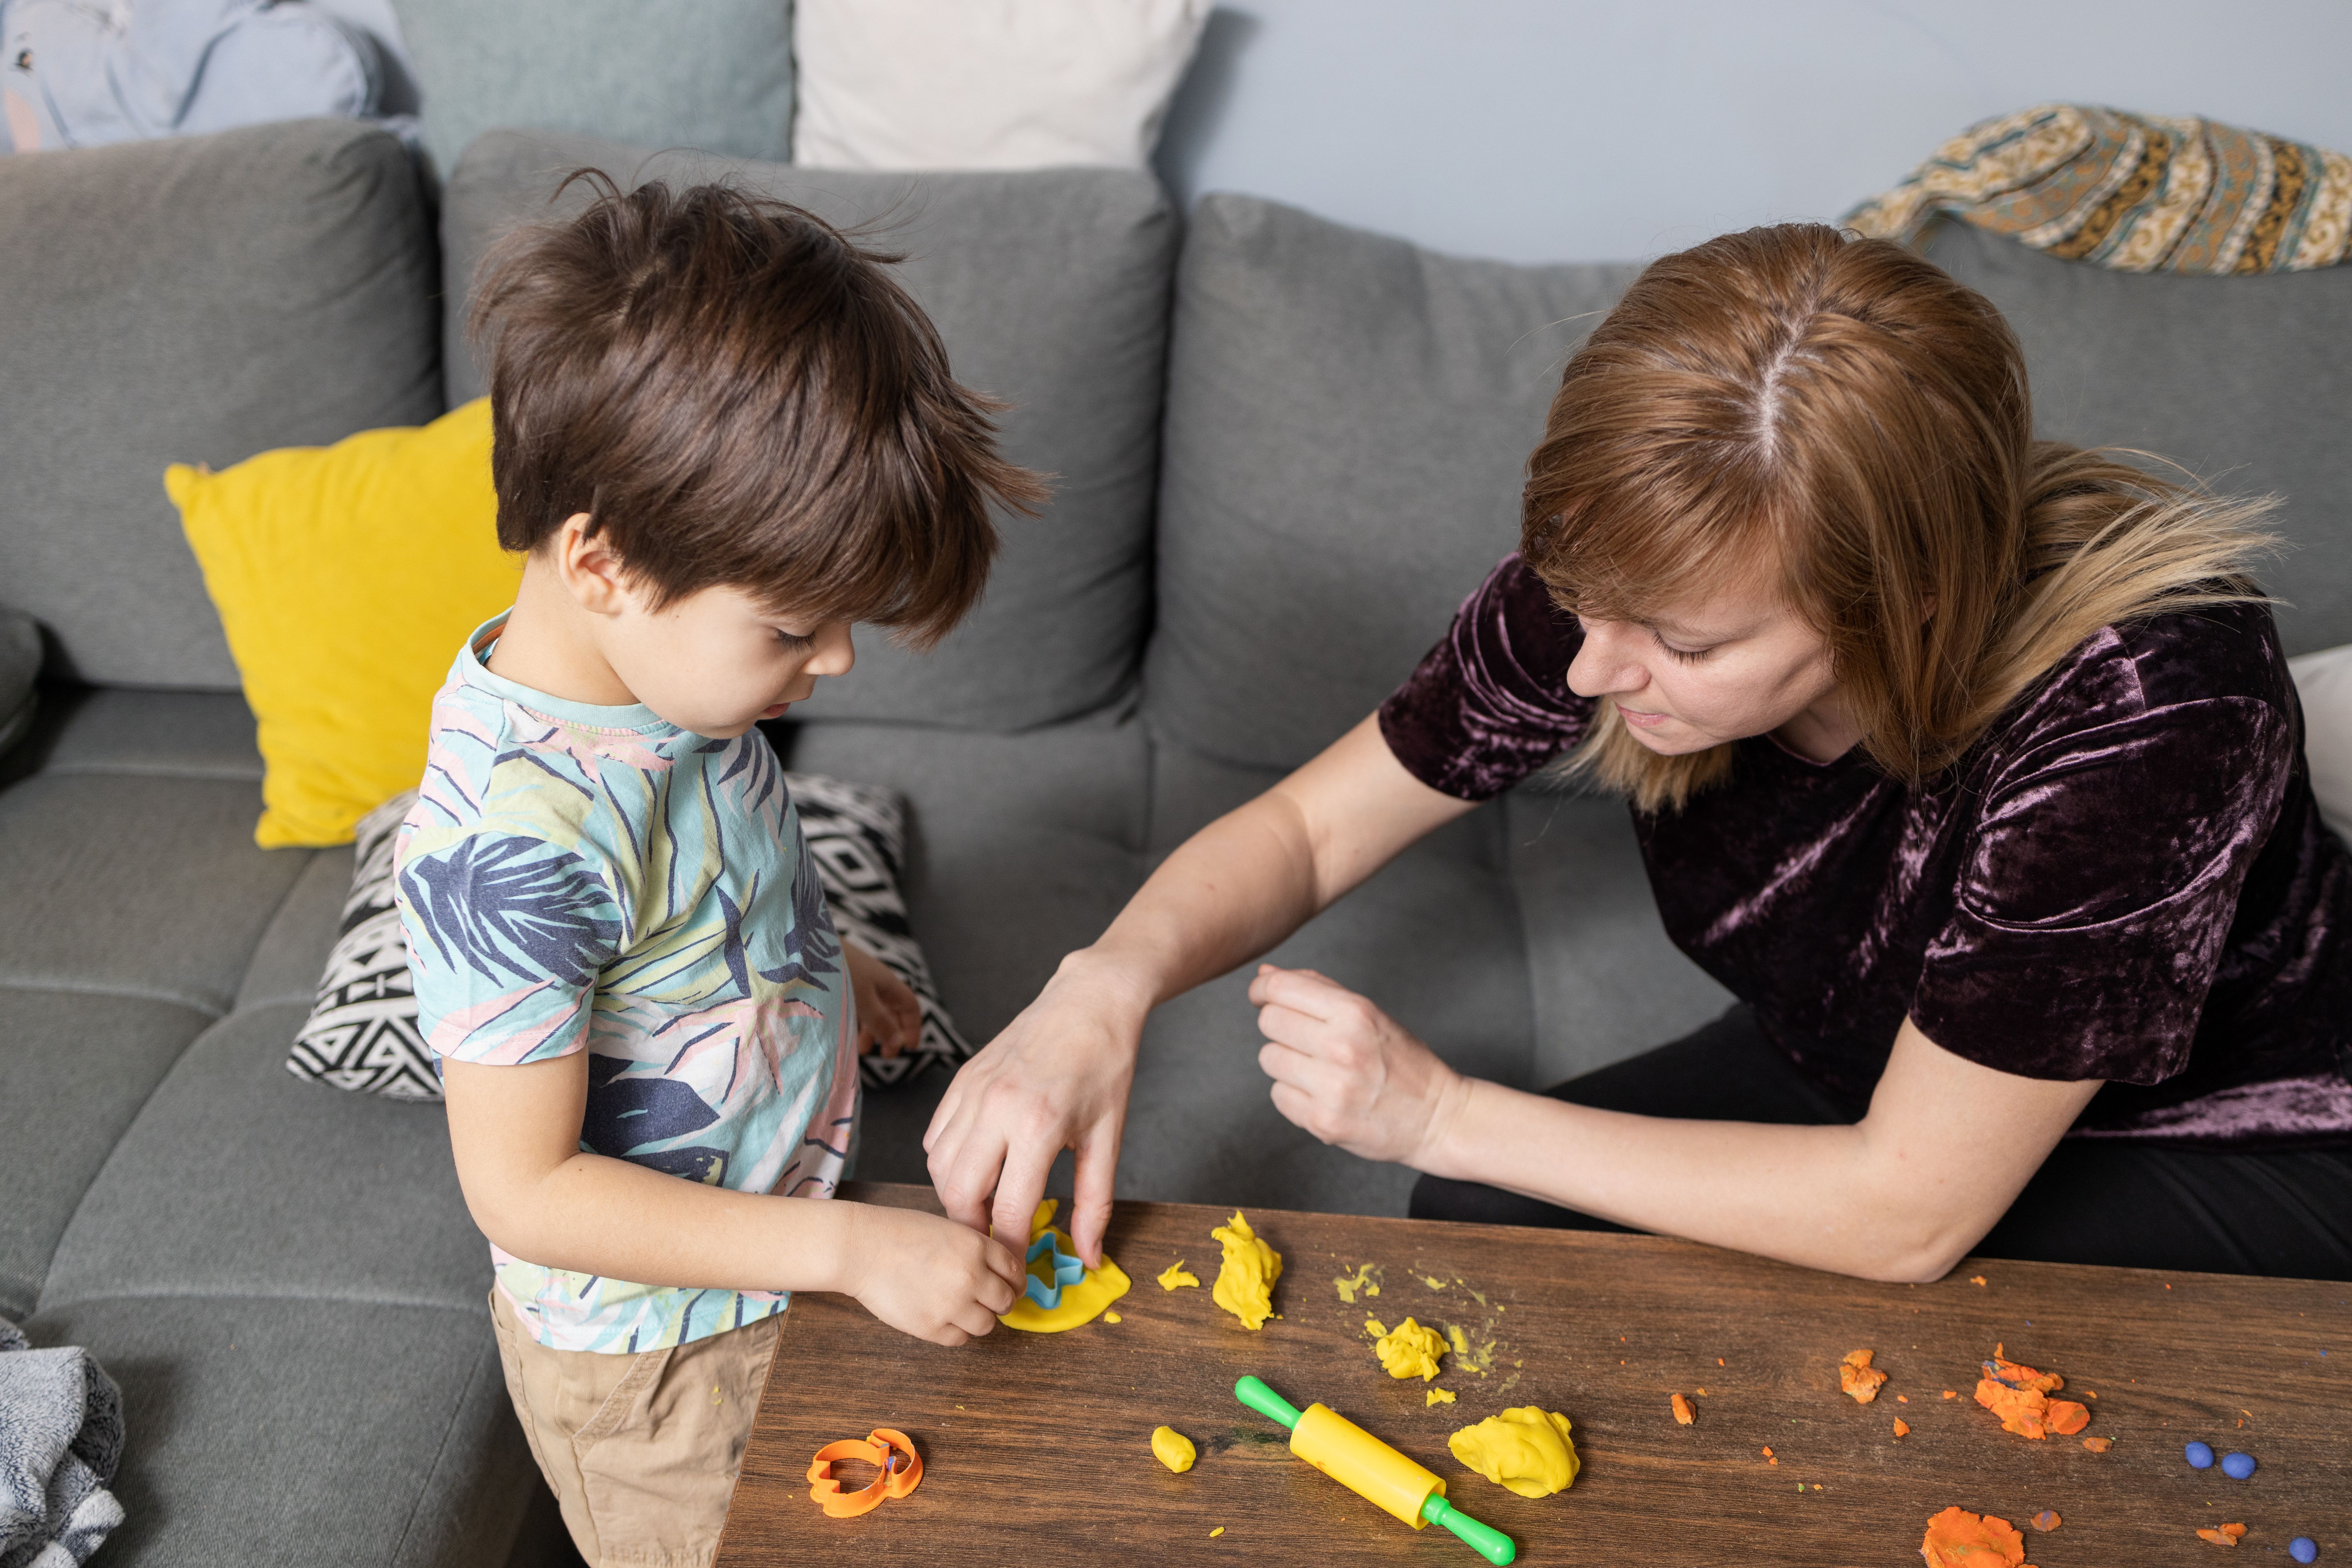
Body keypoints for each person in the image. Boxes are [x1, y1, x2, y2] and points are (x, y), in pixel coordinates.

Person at [925, 221, 2352, 1287]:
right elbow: (1309, 833)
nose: (1596, 671)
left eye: (1683, 644)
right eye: (1589, 607)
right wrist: (1100, 988)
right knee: (1489, 1233)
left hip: (2234, 1136)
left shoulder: (2151, 703)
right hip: (1868, 1065)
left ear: (1903, 602)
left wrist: (1439, 1110)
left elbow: (1909, 1215)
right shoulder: (1626, 584)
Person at [393, 176, 1046, 1567]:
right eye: (794, 626)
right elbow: (527, 1189)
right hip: (651, 1370)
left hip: (778, 1250)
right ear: (606, 562)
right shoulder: (510, 842)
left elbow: (717, 874)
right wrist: (853, 1253)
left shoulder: (677, 690)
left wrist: (831, 965)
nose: (837, 663)